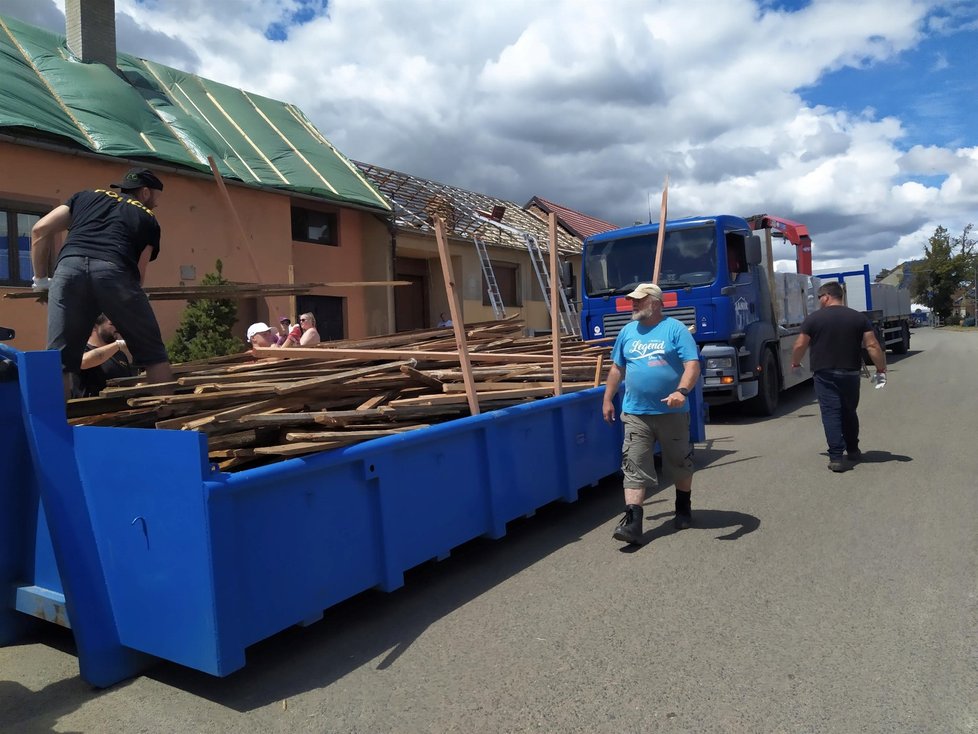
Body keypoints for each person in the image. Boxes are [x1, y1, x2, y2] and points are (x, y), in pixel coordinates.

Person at [30, 167, 173, 394]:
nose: (157, 202)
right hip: (115, 270)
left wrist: (41, 280)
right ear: (145, 193)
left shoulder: (85, 196)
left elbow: (40, 229)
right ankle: (168, 418)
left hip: (68, 268)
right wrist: (128, 307)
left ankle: (56, 424)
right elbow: (139, 273)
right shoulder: (147, 218)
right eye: (157, 196)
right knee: (154, 355)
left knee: (60, 362)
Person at [602, 283, 701, 544]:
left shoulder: (675, 329)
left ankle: (683, 507)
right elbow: (616, 368)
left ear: (655, 302)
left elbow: (692, 364)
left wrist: (682, 391)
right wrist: (607, 398)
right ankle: (633, 524)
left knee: (680, 462)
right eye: (632, 300)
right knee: (633, 465)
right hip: (635, 413)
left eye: (639, 300)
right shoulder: (627, 331)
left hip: (672, 412)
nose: (632, 304)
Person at [790, 281, 887, 472]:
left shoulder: (814, 319)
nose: (819, 301)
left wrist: (795, 362)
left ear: (826, 296)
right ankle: (852, 449)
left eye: (819, 298)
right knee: (849, 411)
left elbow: (800, 345)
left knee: (831, 413)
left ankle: (836, 457)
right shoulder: (858, 318)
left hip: (824, 374)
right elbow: (873, 345)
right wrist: (881, 369)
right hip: (851, 373)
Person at [77, 314, 135, 397]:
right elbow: (83, 362)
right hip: (92, 408)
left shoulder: (119, 354)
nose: (117, 328)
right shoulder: (81, 351)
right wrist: (118, 344)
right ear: (94, 326)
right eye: (112, 324)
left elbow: (129, 385)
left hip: (121, 407)